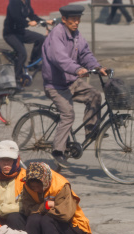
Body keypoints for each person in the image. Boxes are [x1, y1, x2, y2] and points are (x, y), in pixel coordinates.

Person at [42, 5, 107, 168]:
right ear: (64, 19)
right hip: (55, 85)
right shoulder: (56, 34)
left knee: (95, 95)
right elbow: (60, 58)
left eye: (78, 19)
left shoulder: (76, 34)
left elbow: (85, 54)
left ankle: (91, 131)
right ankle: (58, 151)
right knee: (68, 115)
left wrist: (97, 67)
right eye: (73, 19)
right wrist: (77, 69)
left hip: (71, 81)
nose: (76, 22)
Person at [21, 162, 92, 234]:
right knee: (33, 218)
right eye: (33, 187)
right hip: (50, 229)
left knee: (47, 219)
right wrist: (45, 206)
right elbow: (27, 208)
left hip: (74, 228)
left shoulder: (61, 185)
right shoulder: (27, 187)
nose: (36, 190)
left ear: (46, 180)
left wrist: (40, 210)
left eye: (39, 186)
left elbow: (64, 214)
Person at [3, 0, 53, 87]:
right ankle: (17, 77)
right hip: (10, 33)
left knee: (41, 38)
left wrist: (45, 22)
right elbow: (15, 17)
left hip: (21, 32)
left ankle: (32, 64)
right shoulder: (14, 2)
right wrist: (28, 23)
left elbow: (31, 15)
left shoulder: (26, 2)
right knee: (22, 54)